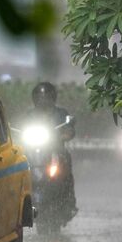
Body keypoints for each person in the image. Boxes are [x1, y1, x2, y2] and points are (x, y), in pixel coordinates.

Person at [30, 82, 77, 216]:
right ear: (35, 98)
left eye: (46, 97)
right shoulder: (30, 114)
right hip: (33, 152)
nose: (43, 100)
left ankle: (70, 200)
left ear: (52, 98)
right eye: (39, 97)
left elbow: (69, 129)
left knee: (66, 160)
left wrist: (65, 135)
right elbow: (20, 128)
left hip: (56, 151)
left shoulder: (61, 113)